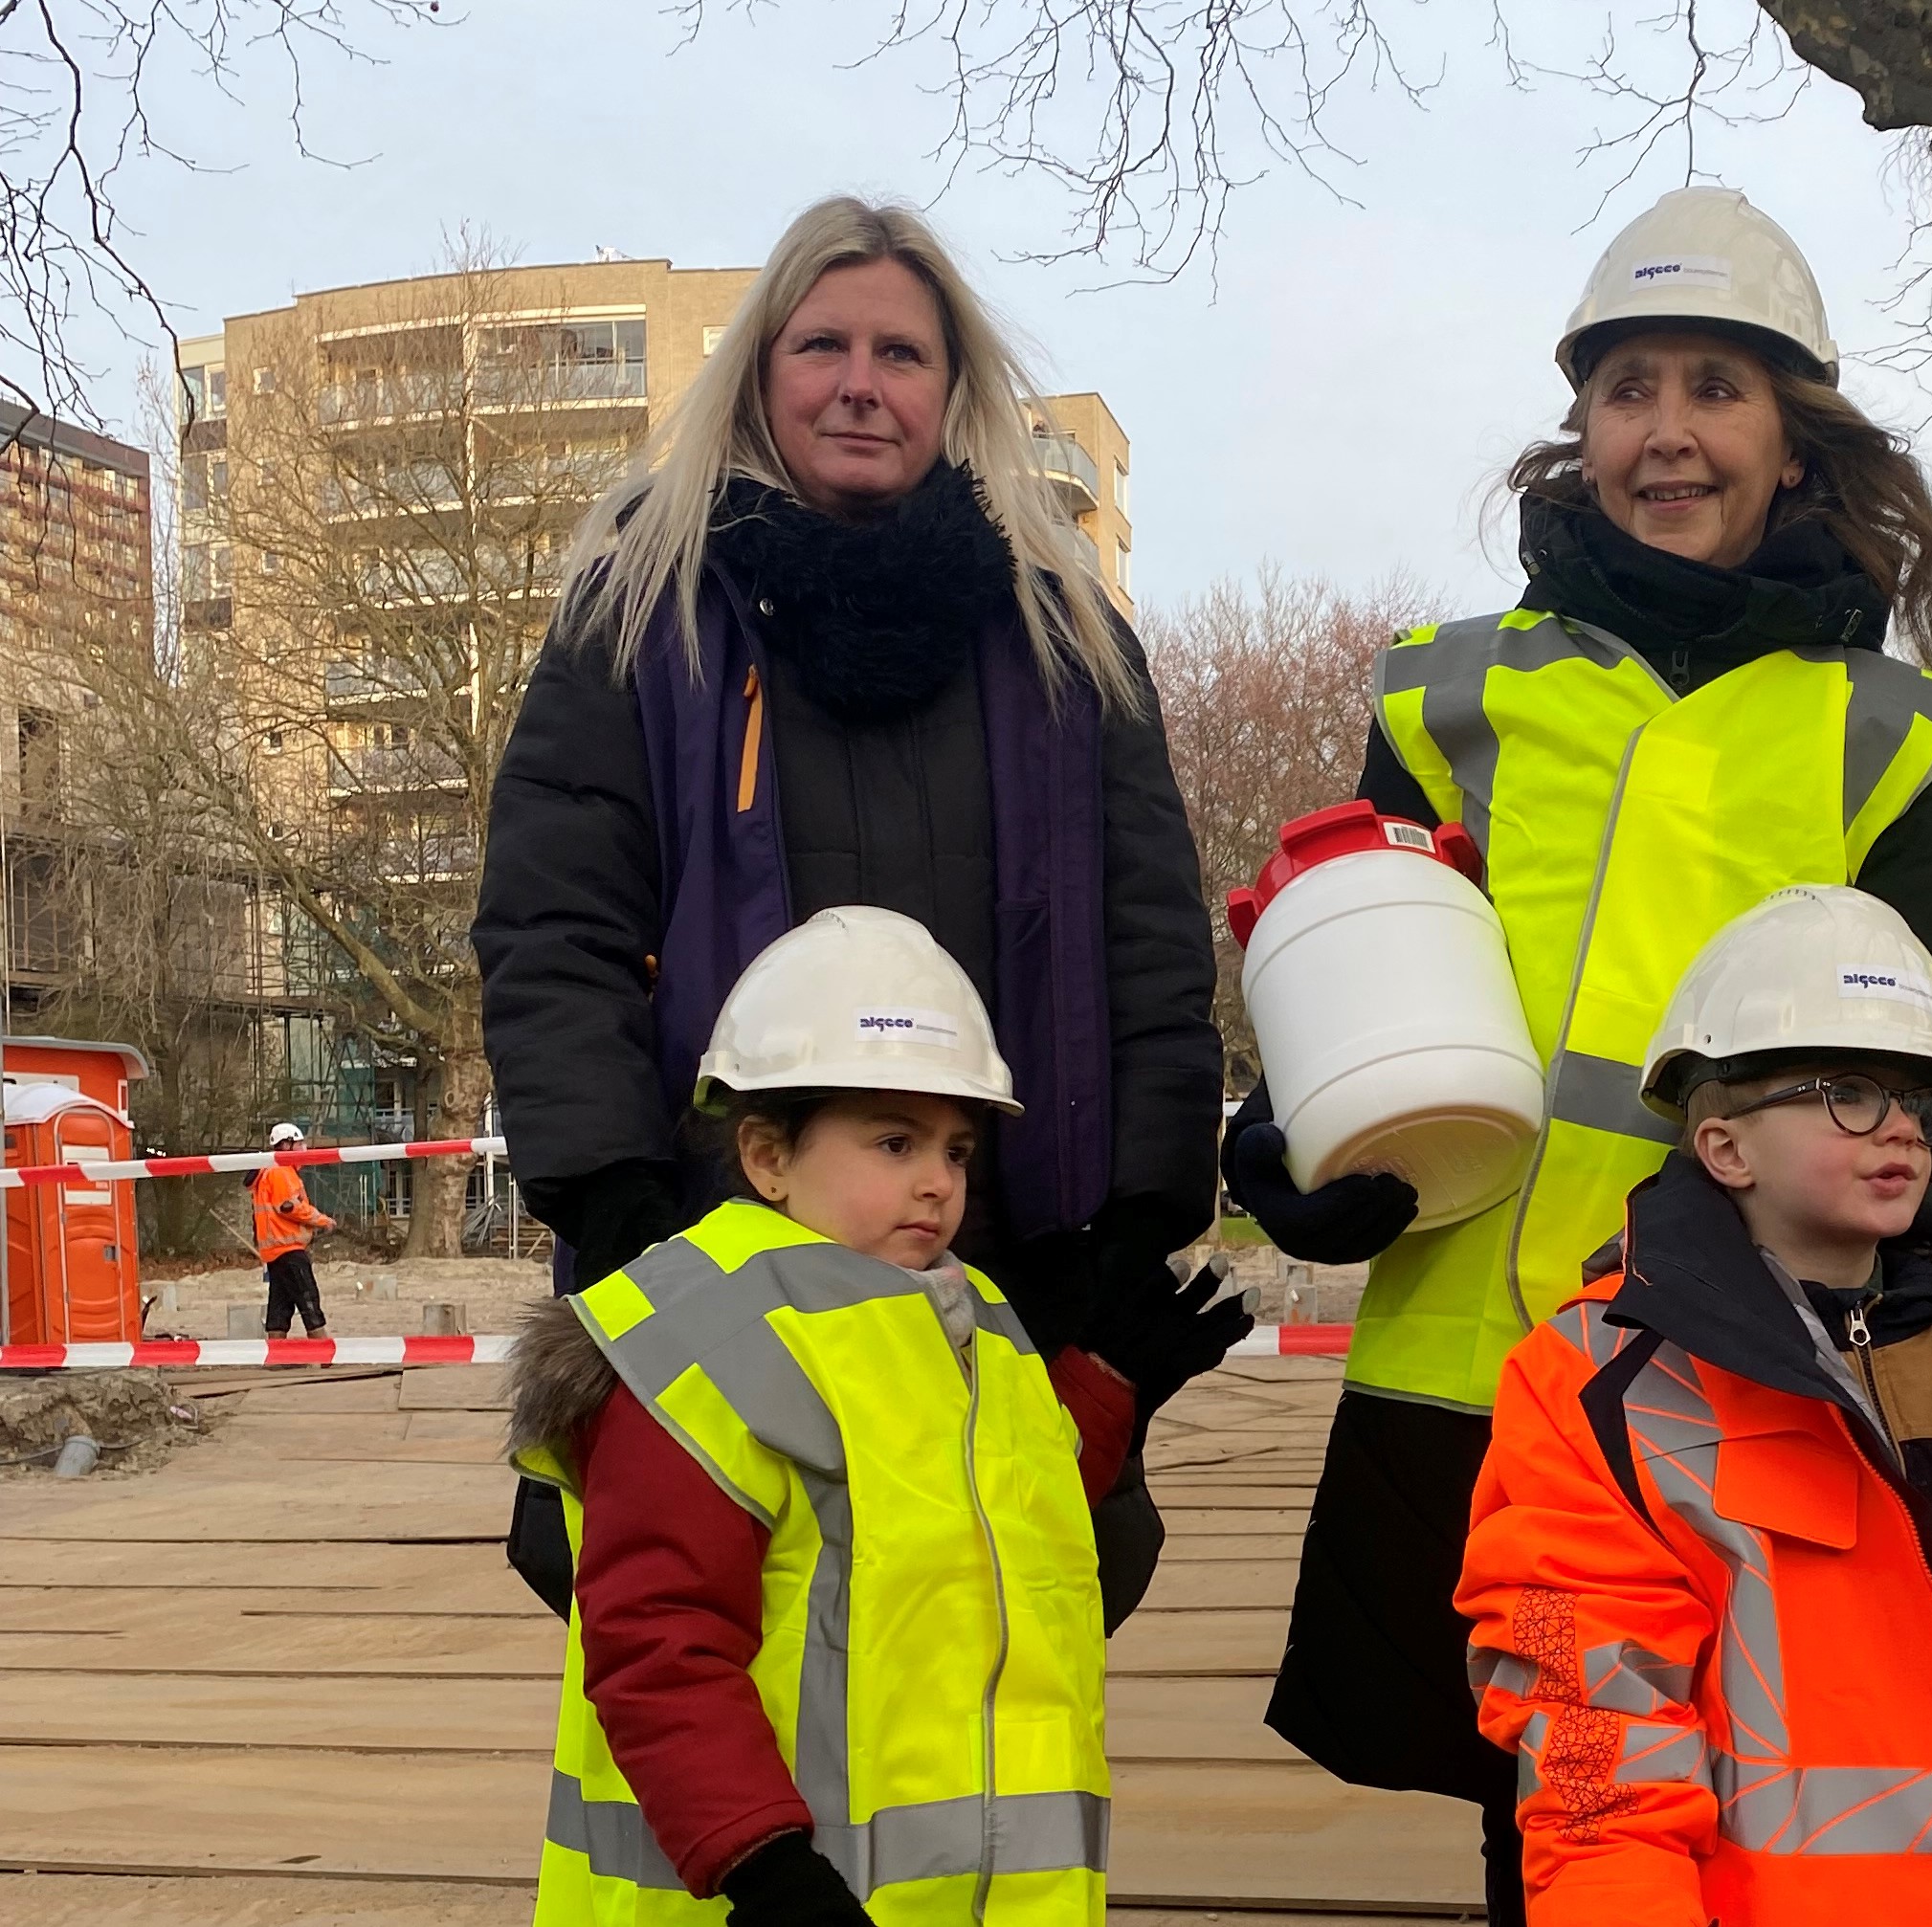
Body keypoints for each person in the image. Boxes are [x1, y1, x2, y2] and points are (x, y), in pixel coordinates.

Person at [1232, 187, 1932, 1920]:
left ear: (1790, 439)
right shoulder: (1451, 697)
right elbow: (1354, 1008)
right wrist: (1298, 1152)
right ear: (1578, 429)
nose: (1670, 432)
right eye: (1631, 387)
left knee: (1783, 1817)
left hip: (1766, 1388)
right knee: (1561, 1818)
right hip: (1481, 1370)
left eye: (1716, 389)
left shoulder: (1888, 733)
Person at [475, 196, 1223, 1627]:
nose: (860, 382)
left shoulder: (1070, 640)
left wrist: (1132, 1222)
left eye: (903, 351)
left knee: (1006, 1628)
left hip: (1005, 1259)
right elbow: (552, 935)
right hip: (704, 1244)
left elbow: (1149, 950)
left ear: (955, 392)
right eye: (820, 344)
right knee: (700, 1633)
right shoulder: (637, 617)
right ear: (760, 372)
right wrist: (623, 1213)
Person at [1456, 887, 1932, 1927]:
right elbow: (1586, 1720)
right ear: (1724, 1146)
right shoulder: (1594, 1382)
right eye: (1849, 1091)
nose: (1904, 1129)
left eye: (1921, 1098)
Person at [507, 906, 1245, 1927]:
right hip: (768, 1895)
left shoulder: (966, 1314)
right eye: (894, 1141)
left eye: (956, 1147)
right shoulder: (703, 1344)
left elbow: (1000, 1519)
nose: (938, 1181)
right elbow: (658, 1642)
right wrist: (761, 1861)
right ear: (767, 1156)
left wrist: (1114, 1385)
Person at [254, 1122, 335, 1340]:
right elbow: (288, 1206)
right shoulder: (281, 1171)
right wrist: (321, 1220)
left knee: (280, 1303)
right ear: (287, 1145)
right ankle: (322, 1349)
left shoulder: (270, 1170)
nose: (304, 1148)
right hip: (288, 1249)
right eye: (300, 1143)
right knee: (308, 1297)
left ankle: (277, 1353)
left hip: (276, 1252)